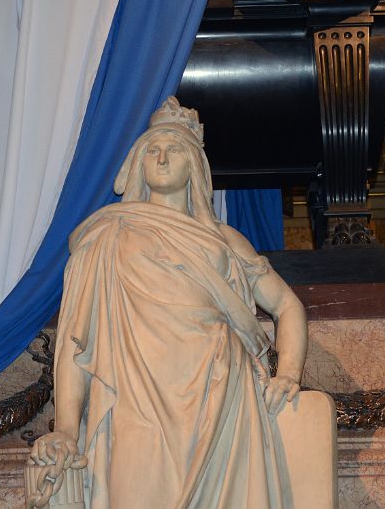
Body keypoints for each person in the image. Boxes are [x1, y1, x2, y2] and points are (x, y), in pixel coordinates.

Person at [29, 97, 307, 509]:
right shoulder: (107, 237)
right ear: (138, 162)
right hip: (134, 396)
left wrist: (288, 374)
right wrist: (67, 429)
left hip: (219, 390)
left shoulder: (225, 241)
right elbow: (76, 341)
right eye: (152, 150)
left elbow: (287, 305)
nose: (161, 158)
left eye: (174, 149)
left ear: (194, 165)